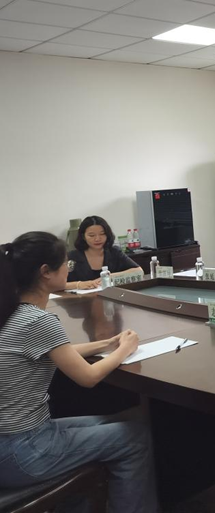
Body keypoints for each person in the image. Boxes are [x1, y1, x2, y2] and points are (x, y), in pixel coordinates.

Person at [0, 232, 158, 512]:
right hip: (24, 451)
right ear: (46, 272)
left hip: (11, 444)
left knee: (117, 420)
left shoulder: (11, 313)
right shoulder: (38, 321)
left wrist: (107, 344)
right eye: (66, 264)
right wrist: (124, 349)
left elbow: (57, 351)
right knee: (134, 437)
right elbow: (88, 377)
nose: (68, 269)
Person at [66, 216, 143, 291]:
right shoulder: (72, 257)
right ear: (83, 236)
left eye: (102, 234)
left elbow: (138, 271)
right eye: (91, 235)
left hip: (111, 296)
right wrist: (79, 284)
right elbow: (59, 284)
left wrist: (110, 277)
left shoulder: (114, 252)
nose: (97, 239)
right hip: (82, 298)